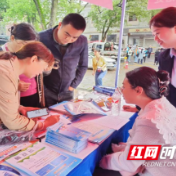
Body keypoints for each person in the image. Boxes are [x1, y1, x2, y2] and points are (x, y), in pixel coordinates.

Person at [94, 67, 176, 176]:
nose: (121, 90)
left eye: (123, 86)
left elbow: (129, 162)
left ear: (138, 90)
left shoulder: (150, 121)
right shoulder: (162, 104)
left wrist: (101, 161)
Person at [0, 41, 60, 131]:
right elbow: (12, 121)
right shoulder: (5, 73)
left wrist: (20, 108)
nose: (40, 73)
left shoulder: (9, 66)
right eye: (43, 68)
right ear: (34, 59)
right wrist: (44, 124)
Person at [39, 13, 88, 107]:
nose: (69, 39)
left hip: (68, 91)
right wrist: (42, 88)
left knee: (67, 118)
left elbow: (83, 66)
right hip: (46, 90)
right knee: (46, 118)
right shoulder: (41, 38)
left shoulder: (82, 41)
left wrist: (73, 86)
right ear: (60, 25)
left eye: (74, 37)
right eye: (67, 34)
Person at [0, 23, 45, 108]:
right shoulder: (1, 54)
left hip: (34, 95)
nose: (27, 49)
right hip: (11, 100)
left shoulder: (30, 52)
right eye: (24, 44)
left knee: (36, 117)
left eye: (31, 45)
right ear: (12, 38)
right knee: (17, 119)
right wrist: (15, 85)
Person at [150, 7, 176, 107]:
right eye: (153, 35)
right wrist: (141, 106)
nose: (155, 39)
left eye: (157, 33)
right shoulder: (164, 57)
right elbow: (163, 87)